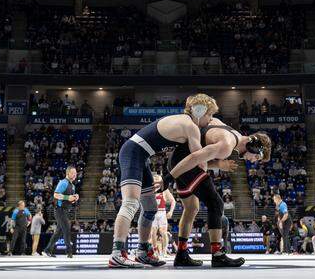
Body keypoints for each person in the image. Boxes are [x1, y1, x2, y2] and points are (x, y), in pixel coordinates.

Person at [107, 93, 216, 268]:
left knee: (150, 208)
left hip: (140, 155)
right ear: (199, 111)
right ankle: (117, 253)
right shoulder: (191, 127)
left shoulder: (184, 121)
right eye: (209, 114)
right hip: (133, 153)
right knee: (130, 203)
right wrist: (218, 161)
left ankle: (142, 251)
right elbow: (200, 160)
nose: (210, 119)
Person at [168, 113, 271, 267]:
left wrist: (219, 164)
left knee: (191, 208)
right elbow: (196, 158)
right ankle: (217, 255)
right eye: (256, 157)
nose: (252, 161)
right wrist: (168, 178)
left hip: (178, 160)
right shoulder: (227, 145)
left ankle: (181, 254)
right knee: (216, 203)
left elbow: (200, 153)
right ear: (253, 146)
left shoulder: (229, 131)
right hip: (185, 163)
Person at [45, 165, 79, 258]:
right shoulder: (63, 182)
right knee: (66, 228)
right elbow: (55, 195)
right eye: (73, 173)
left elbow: (70, 200)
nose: (75, 175)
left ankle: (47, 250)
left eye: (76, 173)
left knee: (59, 232)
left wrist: (74, 198)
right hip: (59, 210)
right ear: (68, 173)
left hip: (65, 210)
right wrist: (68, 197)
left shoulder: (73, 186)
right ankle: (69, 252)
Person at [151, 173, 175, 259]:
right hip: (153, 213)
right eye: (155, 178)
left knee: (163, 232)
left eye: (158, 178)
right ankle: (155, 251)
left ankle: (164, 251)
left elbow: (173, 201)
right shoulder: (150, 190)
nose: (156, 179)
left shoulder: (164, 190)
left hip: (162, 213)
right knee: (153, 233)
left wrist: (171, 212)